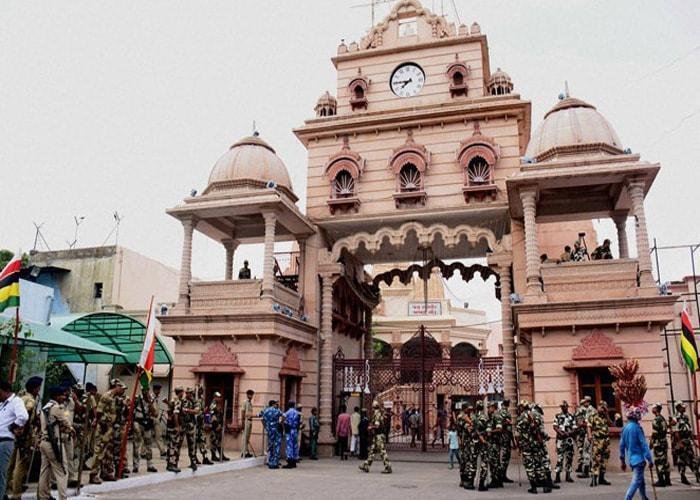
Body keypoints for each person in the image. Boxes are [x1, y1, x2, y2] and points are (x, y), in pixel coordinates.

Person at [6, 376, 41, 500]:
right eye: (38, 388)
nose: (39, 391)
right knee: (21, 466)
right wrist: (23, 431)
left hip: (12, 435)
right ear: (34, 389)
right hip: (23, 437)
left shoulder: (20, 397)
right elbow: (27, 412)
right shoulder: (31, 400)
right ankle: (16, 494)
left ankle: (4, 491)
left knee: (9, 464)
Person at [38, 386, 75, 500]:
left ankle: (43, 496)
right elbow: (67, 424)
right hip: (54, 443)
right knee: (62, 471)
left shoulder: (45, 407)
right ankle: (62, 497)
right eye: (62, 395)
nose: (64, 397)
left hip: (43, 442)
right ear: (56, 396)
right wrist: (71, 429)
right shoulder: (56, 408)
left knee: (45, 470)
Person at [89, 379, 125, 484]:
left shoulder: (116, 398)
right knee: (99, 451)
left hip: (110, 429)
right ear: (116, 386)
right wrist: (101, 424)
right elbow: (99, 412)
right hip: (103, 428)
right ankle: (93, 474)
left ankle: (106, 473)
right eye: (121, 388)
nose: (123, 390)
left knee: (108, 452)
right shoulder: (106, 396)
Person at [0, 379, 29, 500]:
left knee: (1, 473)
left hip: (5, 441)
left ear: (6, 391)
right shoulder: (2, 404)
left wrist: (13, 426)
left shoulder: (16, 401)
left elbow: (23, 416)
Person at [620, 409, 654, 500]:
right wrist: (650, 459)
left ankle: (644, 497)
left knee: (641, 481)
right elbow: (644, 445)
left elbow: (621, 446)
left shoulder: (625, 429)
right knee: (636, 481)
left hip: (631, 459)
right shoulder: (637, 428)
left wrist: (623, 461)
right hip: (638, 459)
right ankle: (627, 498)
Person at [359, 400, 391, 474]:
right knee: (372, 451)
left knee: (382, 452)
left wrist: (370, 427)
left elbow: (377, 425)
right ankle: (366, 465)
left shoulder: (377, 414)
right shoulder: (379, 413)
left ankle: (388, 467)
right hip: (377, 435)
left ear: (373, 407)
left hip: (379, 435)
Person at [672, 402, 700, 484]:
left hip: (688, 441)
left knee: (692, 458)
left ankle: (697, 475)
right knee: (682, 460)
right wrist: (679, 442)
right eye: (683, 407)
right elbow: (676, 431)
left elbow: (689, 429)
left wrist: (694, 442)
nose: (684, 408)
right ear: (678, 407)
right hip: (682, 442)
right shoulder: (675, 418)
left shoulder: (686, 417)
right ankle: (683, 477)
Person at [132, 385, 158, 473]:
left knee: (148, 445)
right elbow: (131, 409)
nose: (145, 392)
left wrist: (149, 402)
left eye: (147, 390)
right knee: (136, 445)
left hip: (147, 423)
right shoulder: (137, 399)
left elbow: (155, 413)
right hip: (138, 422)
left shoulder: (151, 399)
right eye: (144, 390)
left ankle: (150, 465)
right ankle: (135, 465)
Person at [588, 401, 611, 487]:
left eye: (604, 407)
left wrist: (607, 413)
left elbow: (610, 423)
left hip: (605, 441)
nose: (602, 408)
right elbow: (589, 426)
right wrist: (589, 435)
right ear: (597, 407)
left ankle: (602, 478)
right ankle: (594, 479)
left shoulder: (605, 416)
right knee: (596, 460)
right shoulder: (593, 416)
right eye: (601, 406)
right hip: (597, 441)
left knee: (604, 460)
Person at [553, 400, 576, 483]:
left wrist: (569, 433)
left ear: (567, 407)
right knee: (560, 458)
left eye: (564, 406)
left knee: (569, 458)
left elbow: (574, 428)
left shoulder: (571, 416)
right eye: (562, 407)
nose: (563, 408)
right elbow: (555, 426)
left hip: (569, 439)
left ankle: (568, 475)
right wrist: (561, 433)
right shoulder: (558, 416)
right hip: (560, 439)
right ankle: (557, 476)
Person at [650, 403, 671, 487]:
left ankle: (661, 480)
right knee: (665, 461)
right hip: (664, 441)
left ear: (656, 409)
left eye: (653, 408)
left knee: (659, 461)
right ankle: (667, 480)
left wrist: (651, 443)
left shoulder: (656, 419)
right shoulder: (662, 418)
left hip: (658, 443)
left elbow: (655, 433)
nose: (652, 409)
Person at [457, 403, 477, 490]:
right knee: (465, 461)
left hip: (466, 442)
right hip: (465, 442)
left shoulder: (465, 416)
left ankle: (464, 480)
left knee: (466, 461)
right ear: (464, 409)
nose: (469, 410)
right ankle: (463, 480)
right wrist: (470, 422)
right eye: (468, 409)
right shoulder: (461, 417)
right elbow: (468, 428)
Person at [165, 386, 185, 473]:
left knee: (170, 446)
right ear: (180, 392)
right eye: (182, 392)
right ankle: (172, 464)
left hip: (170, 426)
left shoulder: (173, 400)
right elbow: (176, 414)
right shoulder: (177, 401)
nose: (183, 393)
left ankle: (170, 464)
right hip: (174, 427)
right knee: (174, 446)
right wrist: (177, 427)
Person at [575, 396, 596, 477]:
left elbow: (585, 423)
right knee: (586, 452)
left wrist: (583, 424)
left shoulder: (590, 410)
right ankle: (587, 469)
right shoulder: (592, 410)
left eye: (586, 402)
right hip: (588, 433)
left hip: (588, 433)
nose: (585, 403)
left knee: (586, 452)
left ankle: (586, 471)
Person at [180, 387, 200, 471]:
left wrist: (187, 410)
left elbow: (197, 411)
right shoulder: (182, 401)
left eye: (190, 393)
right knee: (178, 443)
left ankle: (193, 462)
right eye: (187, 393)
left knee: (192, 444)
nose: (188, 394)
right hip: (183, 424)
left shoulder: (195, 402)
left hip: (191, 425)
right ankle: (174, 462)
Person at [259, 400, 283, 469]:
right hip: (276, 430)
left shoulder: (265, 410)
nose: (276, 405)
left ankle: (270, 462)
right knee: (277, 446)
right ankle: (275, 462)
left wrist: (265, 426)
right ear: (273, 404)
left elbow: (261, 417)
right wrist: (281, 423)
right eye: (276, 404)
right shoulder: (277, 410)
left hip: (269, 430)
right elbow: (283, 415)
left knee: (270, 445)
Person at [485, 400, 502, 488]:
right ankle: (497, 480)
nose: (488, 409)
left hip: (494, 443)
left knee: (493, 462)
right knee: (494, 462)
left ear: (493, 407)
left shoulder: (496, 416)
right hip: (492, 442)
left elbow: (499, 429)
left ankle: (495, 481)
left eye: (489, 407)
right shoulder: (492, 416)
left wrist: (490, 432)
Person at [283, 401, 301, 468]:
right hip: (295, 430)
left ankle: (290, 462)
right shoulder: (297, 412)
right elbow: (299, 422)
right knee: (295, 445)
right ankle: (294, 462)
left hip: (289, 430)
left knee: (289, 445)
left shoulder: (287, 412)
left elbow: (283, 419)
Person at [150, 384, 167, 458]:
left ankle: (162, 451)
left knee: (159, 435)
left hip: (157, 418)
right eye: (158, 390)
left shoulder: (159, 398)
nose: (159, 391)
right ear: (154, 390)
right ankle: (143, 452)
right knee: (147, 436)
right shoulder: (150, 397)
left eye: (159, 390)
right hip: (150, 417)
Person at [240, 389, 254, 458]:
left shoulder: (250, 403)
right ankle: (243, 452)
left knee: (248, 438)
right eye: (250, 394)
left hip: (250, 421)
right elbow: (242, 412)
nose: (251, 396)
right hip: (246, 421)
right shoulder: (245, 402)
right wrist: (242, 422)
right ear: (248, 395)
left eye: (252, 395)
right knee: (245, 437)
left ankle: (247, 451)